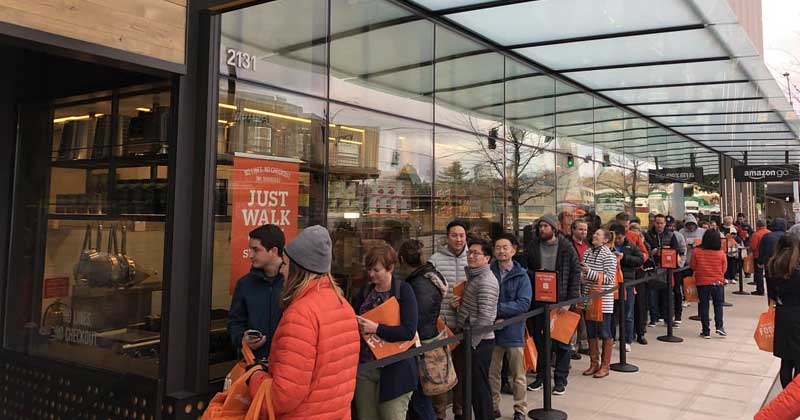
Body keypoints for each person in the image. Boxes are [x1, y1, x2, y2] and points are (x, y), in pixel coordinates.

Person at [248, 225, 359, 420]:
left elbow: (283, 397)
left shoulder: (300, 314)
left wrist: (255, 376)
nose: (283, 269)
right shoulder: (343, 305)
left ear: (297, 269)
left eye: (286, 263)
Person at [353, 245, 419, 420]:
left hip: (396, 368)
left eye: (376, 270)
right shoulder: (365, 291)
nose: (371, 274)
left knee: (392, 415)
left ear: (390, 268)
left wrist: (376, 329)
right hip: (366, 366)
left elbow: (409, 331)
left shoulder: (404, 290)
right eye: (369, 269)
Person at [525, 215, 581, 395]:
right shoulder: (533, 246)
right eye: (540, 226)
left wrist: (569, 302)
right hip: (539, 301)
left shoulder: (566, 247)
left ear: (553, 228)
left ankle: (560, 379)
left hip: (561, 301)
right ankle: (541, 377)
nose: (542, 229)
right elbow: (525, 269)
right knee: (541, 341)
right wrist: (536, 274)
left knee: (562, 342)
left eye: (545, 226)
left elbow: (575, 273)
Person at [399, 240, 447, 420]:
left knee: (420, 397)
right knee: (421, 396)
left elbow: (417, 318)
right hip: (429, 338)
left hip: (420, 344)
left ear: (402, 259)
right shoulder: (430, 277)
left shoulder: (417, 284)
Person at [452, 239, 499, 420]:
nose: (471, 256)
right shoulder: (475, 276)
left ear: (487, 258)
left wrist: (471, 342)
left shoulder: (486, 280)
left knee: (479, 390)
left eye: (476, 253)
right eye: (469, 252)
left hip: (479, 342)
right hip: (471, 339)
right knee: (473, 387)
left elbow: (486, 317)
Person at [227, 224, 287, 361]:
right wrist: (243, 338)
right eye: (250, 249)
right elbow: (234, 323)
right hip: (254, 366)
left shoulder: (292, 283)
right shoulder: (244, 284)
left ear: (273, 251)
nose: (250, 254)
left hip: (287, 364)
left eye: (255, 249)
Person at [488, 233, 532, 420]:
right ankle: (493, 406)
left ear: (514, 250)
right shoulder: (488, 271)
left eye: (505, 247)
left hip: (513, 330)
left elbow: (523, 303)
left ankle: (520, 409)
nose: (501, 251)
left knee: (518, 375)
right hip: (491, 331)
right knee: (493, 374)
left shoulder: (522, 275)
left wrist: (497, 311)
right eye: (498, 247)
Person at [429, 220, 468, 419]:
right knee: (441, 372)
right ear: (447, 237)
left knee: (461, 369)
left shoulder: (474, 258)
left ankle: (460, 409)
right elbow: (429, 292)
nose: (458, 239)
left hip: (464, 324)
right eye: (454, 235)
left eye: (462, 235)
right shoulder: (435, 260)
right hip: (442, 324)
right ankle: (440, 413)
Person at [581, 228, 618, 378]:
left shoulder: (609, 256)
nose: (594, 236)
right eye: (594, 234)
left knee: (604, 331)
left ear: (605, 240)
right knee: (590, 331)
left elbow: (609, 279)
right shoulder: (587, 253)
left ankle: (605, 365)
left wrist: (589, 272)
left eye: (598, 234)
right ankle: (593, 363)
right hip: (588, 297)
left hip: (603, 300)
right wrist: (583, 275)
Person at [767, 235, 800, 388]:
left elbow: (772, 296)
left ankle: (786, 393)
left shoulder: (772, 266)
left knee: (785, 359)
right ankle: (795, 397)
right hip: (797, 314)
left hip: (782, 314)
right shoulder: (797, 269)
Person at [609, 223, 644, 352]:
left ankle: (627, 339)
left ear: (624, 236)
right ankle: (610, 337)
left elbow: (640, 259)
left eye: (619, 238)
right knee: (611, 312)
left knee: (628, 313)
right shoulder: (607, 247)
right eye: (615, 238)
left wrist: (625, 258)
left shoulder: (631, 246)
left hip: (627, 282)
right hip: (612, 283)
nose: (617, 240)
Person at [644, 214, 684, 328]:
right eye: (657, 223)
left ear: (665, 223)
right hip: (653, 267)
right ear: (654, 223)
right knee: (653, 295)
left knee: (668, 295)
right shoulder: (648, 235)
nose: (659, 225)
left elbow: (676, 250)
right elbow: (645, 249)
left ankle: (668, 318)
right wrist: (653, 252)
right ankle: (654, 318)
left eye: (661, 223)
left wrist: (668, 252)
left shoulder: (671, 235)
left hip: (667, 268)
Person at [690, 229, 728, 339]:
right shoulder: (721, 253)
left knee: (704, 305)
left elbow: (693, 266)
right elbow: (724, 269)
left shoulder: (697, 251)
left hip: (702, 282)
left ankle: (705, 331)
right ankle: (719, 327)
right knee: (718, 305)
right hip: (717, 282)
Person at [625, 220, 652, 345]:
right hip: (622, 274)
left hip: (637, 272)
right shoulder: (612, 236)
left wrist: (639, 260)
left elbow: (645, 253)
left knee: (640, 303)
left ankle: (640, 332)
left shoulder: (634, 236)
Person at [567, 219, 591, 357]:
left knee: (582, 314)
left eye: (585, 230)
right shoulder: (568, 245)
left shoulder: (587, 245)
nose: (583, 232)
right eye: (581, 229)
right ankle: (572, 346)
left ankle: (582, 343)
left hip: (586, 283)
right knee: (574, 314)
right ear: (573, 230)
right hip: (574, 284)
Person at [761, 218, 789, 303]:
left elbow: (762, 251)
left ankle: (771, 305)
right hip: (784, 264)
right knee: (784, 285)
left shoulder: (766, 236)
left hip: (769, 264)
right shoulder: (788, 236)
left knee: (770, 285)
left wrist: (759, 262)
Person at [667, 216, 688, 324]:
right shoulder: (662, 235)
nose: (669, 227)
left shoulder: (678, 236)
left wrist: (680, 264)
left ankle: (678, 314)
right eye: (668, 225)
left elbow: (683, 250)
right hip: (664, 268)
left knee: (677, 290)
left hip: (676, 268)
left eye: (671, 225)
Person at [750, 220, 771, 296]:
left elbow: (753, 246)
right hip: (769, 256)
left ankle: (760, 290)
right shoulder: (769, 233)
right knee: (769, 273)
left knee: (759, 274)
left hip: (757, 256)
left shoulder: (756, 234)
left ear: (757, 226)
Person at [721, 216, 742, 285]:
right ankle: (726, 277)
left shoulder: (735, 228)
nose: (728, 221)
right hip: (724, 248)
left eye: (729, 220)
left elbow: (739, 238)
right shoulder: (721, 228)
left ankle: (732, 277)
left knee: (733, 263)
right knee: (725, 263)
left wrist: (734, 237)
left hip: (733, 248)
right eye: (726, 220)